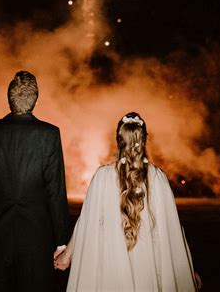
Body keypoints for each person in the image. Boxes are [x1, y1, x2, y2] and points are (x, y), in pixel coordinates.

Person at [54, 111, 202, 291]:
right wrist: (185, 271)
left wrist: (66, 255)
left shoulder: (102, 177)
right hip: (148, 265)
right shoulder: (158, 178)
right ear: (144, 140)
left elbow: (86, 223)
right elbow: (173, 231)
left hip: (111, 263)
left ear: (118, 140)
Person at [0, 70, 70, 292]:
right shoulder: (49, 134)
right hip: (37, 239)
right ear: (35, 100)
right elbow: (56, 191)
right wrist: (62, 242)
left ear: (9, 98)